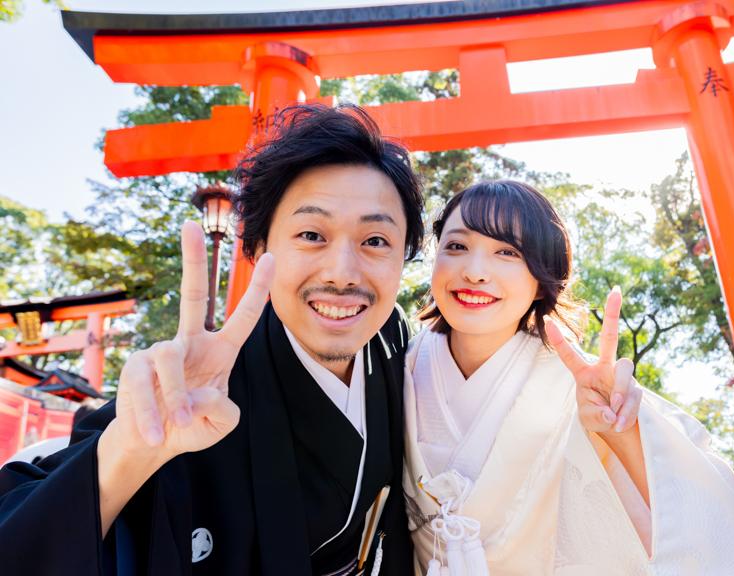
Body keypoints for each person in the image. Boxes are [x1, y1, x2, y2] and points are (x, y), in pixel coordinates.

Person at [0, 104, 424, 575]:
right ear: (259, 248)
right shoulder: (200, 388)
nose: (343, 273)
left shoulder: (392, 340)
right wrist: (131, 453)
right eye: (311, 234)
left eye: (376, 241)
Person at [402, 181, 734, 575]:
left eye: (507, 252)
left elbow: (694, 519)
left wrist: (620, 431)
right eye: (456, 246)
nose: (474, 272)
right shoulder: (401, 366)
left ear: (542, 278)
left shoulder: (579, 383)